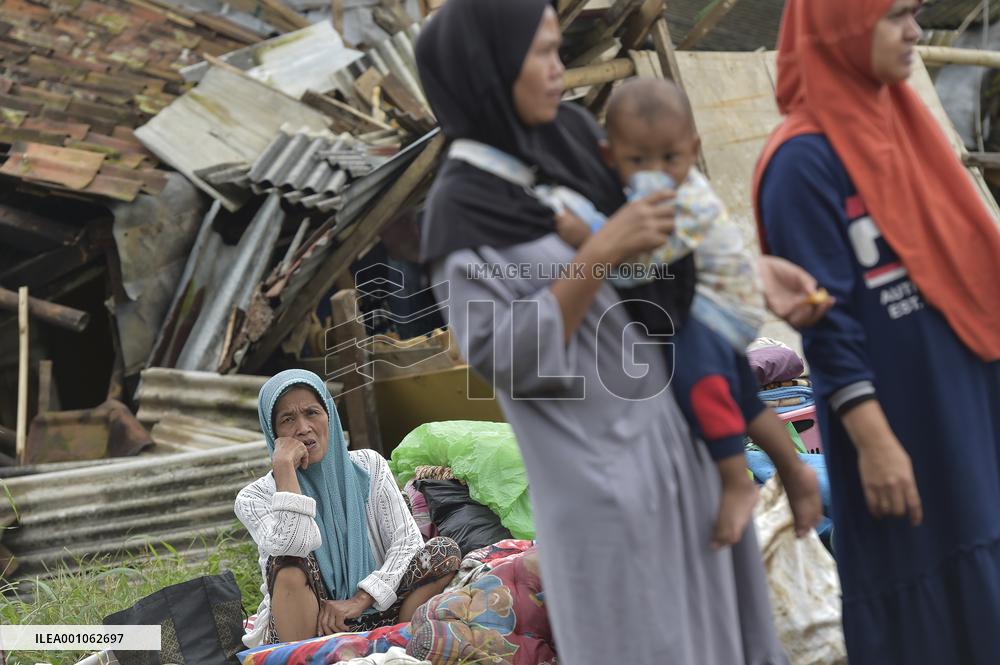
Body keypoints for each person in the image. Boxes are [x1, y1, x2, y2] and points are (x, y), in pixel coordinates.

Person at [416, 1, 794, 662]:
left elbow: (663, 254)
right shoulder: (461, 208)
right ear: (488, 66)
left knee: (724, 641)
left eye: (559, 50)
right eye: (539, 53)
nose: (559, 70)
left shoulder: (567, 137)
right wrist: (601, 250)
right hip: (602, 488)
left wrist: (751, 274)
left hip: (682, 450)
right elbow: (509, 356)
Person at [754, 0, 1000, 663]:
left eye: (915, 13)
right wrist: (875, 440)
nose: (915, 31)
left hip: (967, 405)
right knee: (926, 602)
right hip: (899, 424)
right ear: (841, 26)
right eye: (895, 16)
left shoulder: (907, 128)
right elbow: (827, 326)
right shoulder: (800, 164)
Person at [552, 78, 822, 548]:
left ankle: (736, 477)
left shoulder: (686, 200)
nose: (656, 172)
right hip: (710, 298)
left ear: (692, 151)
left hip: (724, 304)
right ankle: (793, 469)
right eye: (639, 161)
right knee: (741, 392)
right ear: (610, 157)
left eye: (670, 159)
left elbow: (638, 263)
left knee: (697, 380)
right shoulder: (656, 189)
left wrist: (586, 235)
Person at [235, 369, 460, 647]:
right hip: (313, 624)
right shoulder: (254, 497)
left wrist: (360, 599)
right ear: (273, 433)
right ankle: (303, 655)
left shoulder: (369, 465)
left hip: (379, 610)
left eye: (312, 412)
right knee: (289, 565)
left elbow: (407, 542)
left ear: (329, 414)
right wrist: (285, 472)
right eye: (288, 419)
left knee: (442, 551)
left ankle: (400, 646)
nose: (303, 427)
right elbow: (292, 546)